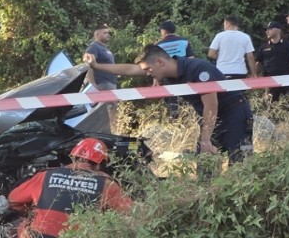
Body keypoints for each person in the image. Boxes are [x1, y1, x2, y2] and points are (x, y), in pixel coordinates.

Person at [84, 44, 253, 164]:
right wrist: (97, 66)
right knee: (204, 163)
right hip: (211, 117)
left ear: (160, 62)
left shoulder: (197, 69)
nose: (148, 74)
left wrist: (206, 139)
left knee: (239, 162)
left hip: (233, 112)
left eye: (149, 70)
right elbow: (129, 70)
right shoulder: (166, 74)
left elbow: (211, 105)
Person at [7, 137, 132, 238]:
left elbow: (13, 200)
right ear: (99, 164)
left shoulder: (46, 175)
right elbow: (132, 213)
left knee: (14, 231)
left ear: (73, 157)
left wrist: (30, 211)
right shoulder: (107, 185)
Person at [254, 21, 289, 102]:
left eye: (270, 29)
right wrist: (254, 75)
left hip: (286, 79)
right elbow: (258, 62)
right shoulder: (264, 47)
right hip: (270, 81)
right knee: (270, 104)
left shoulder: (287, 45)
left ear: (278, 30)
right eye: (266, 29)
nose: (267, 31)